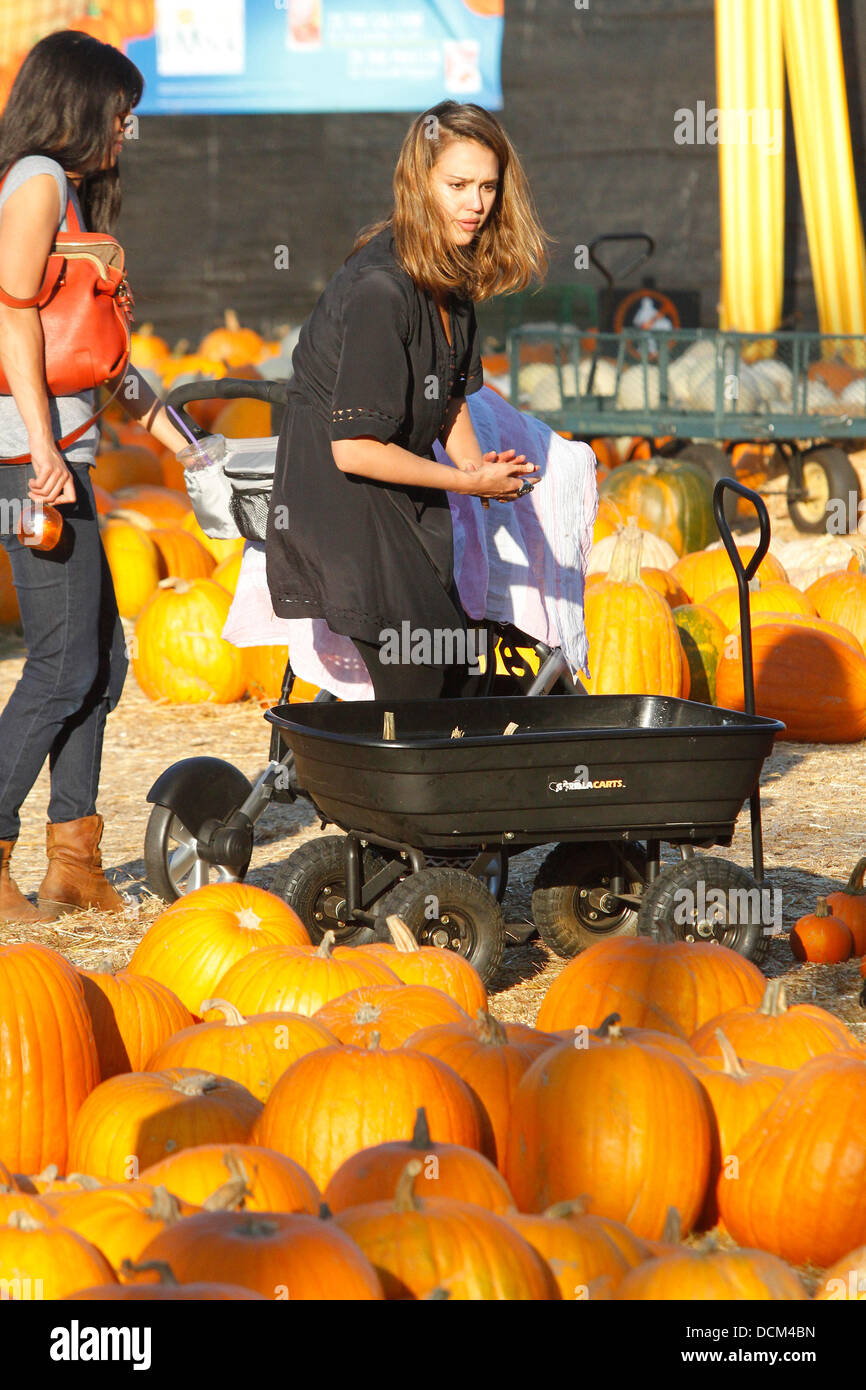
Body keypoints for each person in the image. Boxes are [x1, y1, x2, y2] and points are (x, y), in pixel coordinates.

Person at [266, 100, 550, 701]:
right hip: (346, 514)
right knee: (423, 679)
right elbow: (354, 449)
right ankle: (361, 792)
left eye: (488, 187)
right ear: (419, 183)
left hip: (404, 506)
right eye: (457, 185)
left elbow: (448, 401)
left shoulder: (452, 274)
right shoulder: (380, 290)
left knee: (457, 667)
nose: (476, 204)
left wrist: (477, 467)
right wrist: (469, 487)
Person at [0, 31, 189, 926]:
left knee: (101, 663)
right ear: (80, 106)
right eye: (120, 113)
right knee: (62, 662)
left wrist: (178, 438)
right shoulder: (35, 178)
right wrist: (41, 450)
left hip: (58, 455)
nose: (127, 130)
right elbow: (11, 318)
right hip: (23, 462)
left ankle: (73, 860)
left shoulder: (68, 198)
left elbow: (96, 360)